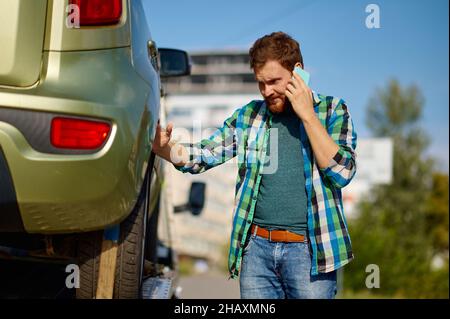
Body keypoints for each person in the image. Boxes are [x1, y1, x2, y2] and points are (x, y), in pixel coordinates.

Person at [152, 31, 357, 299]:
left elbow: (342, 172)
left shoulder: (333, 111)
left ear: (298, 72)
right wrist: (166, 150)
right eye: (261, 83)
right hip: (257, 252)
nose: (267, 91)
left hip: (311, 252)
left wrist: (307, 115)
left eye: (274, 81)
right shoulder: (250, 116)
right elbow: (205, 154)